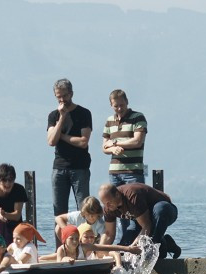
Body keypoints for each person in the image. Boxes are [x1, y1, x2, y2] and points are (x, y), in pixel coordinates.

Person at [47, 78, 92, 238]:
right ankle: (61, 249)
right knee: (59, 213)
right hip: (59, 169)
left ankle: (85, 245)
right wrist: (61, 118)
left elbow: (83, 142)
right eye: (58, 96)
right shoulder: (53, 116)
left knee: (84, 210)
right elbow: (51, 141)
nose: (62, 100)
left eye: (64, 96)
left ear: (71, 94)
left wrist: (62, 136)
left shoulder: (84, 113)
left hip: (80, 168)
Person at [98, 183, 180, 259]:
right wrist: (100, 251)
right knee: (124, 248)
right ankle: (166, 243)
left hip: (165, 211)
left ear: (117, 195)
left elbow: (146, 225)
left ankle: (157, 246)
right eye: (104, 204)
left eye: (109, 203)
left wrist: (131, 247)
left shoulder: (132, 196)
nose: (107, 206)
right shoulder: (107, 208)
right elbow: (109, 233)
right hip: (140, 219)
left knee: (160, 211)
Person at [102, 89, 147, 185]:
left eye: (121, 105)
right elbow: (104, 147)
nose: (119, 109)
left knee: (135, 200)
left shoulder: (138, 117)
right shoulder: (109, 121)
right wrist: (113, 150)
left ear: (127, 102)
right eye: (116, 106)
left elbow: (137, 141)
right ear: (111, 105)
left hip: (133, 173)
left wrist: (114, 143)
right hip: (114, 173)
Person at [0, 163, 27, 246]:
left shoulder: (19, 189)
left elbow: (17, 215)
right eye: (4, 180)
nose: (7, 183)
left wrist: (4, 214)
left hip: (13, 223)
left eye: (10, 180)